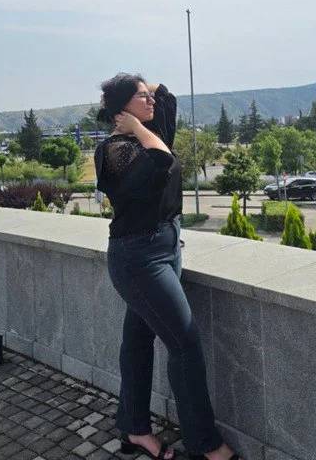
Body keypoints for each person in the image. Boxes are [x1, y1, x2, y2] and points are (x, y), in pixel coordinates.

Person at [94, 73, 240, 460]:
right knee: (186, 345)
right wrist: (134, 123)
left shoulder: (150, 132)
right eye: (141, 97)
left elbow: (168, 98)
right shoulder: (114, 150)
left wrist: (141, 88)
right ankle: (207, 446)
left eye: (148, 95)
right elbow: (162, 161)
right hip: (138, 258)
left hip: (165, 248)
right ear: (123, 109)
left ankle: (134, 430)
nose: (151, 101)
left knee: (138, 342)